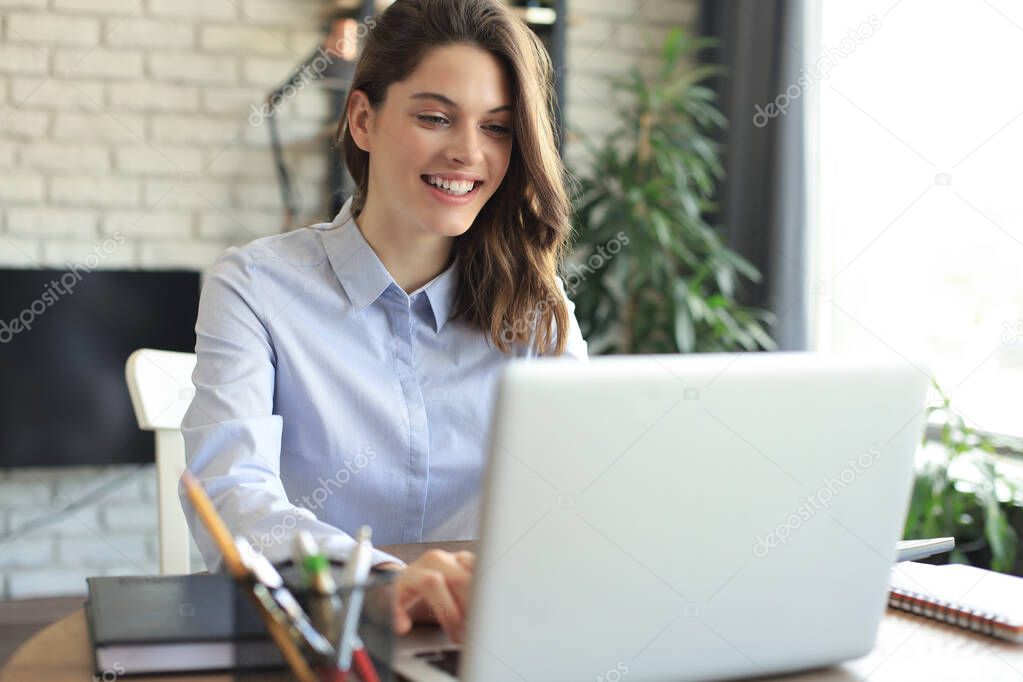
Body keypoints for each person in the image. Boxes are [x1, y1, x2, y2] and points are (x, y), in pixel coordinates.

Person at [179, 0, 587, 646]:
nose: (467, 153)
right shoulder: (254, 287)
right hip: (320, 635)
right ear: (363, 119)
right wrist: (382, 579)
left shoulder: (534, 302)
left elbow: (582, 488)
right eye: (434, 118)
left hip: (490, 637)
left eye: (497, 128)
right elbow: (231, 497)